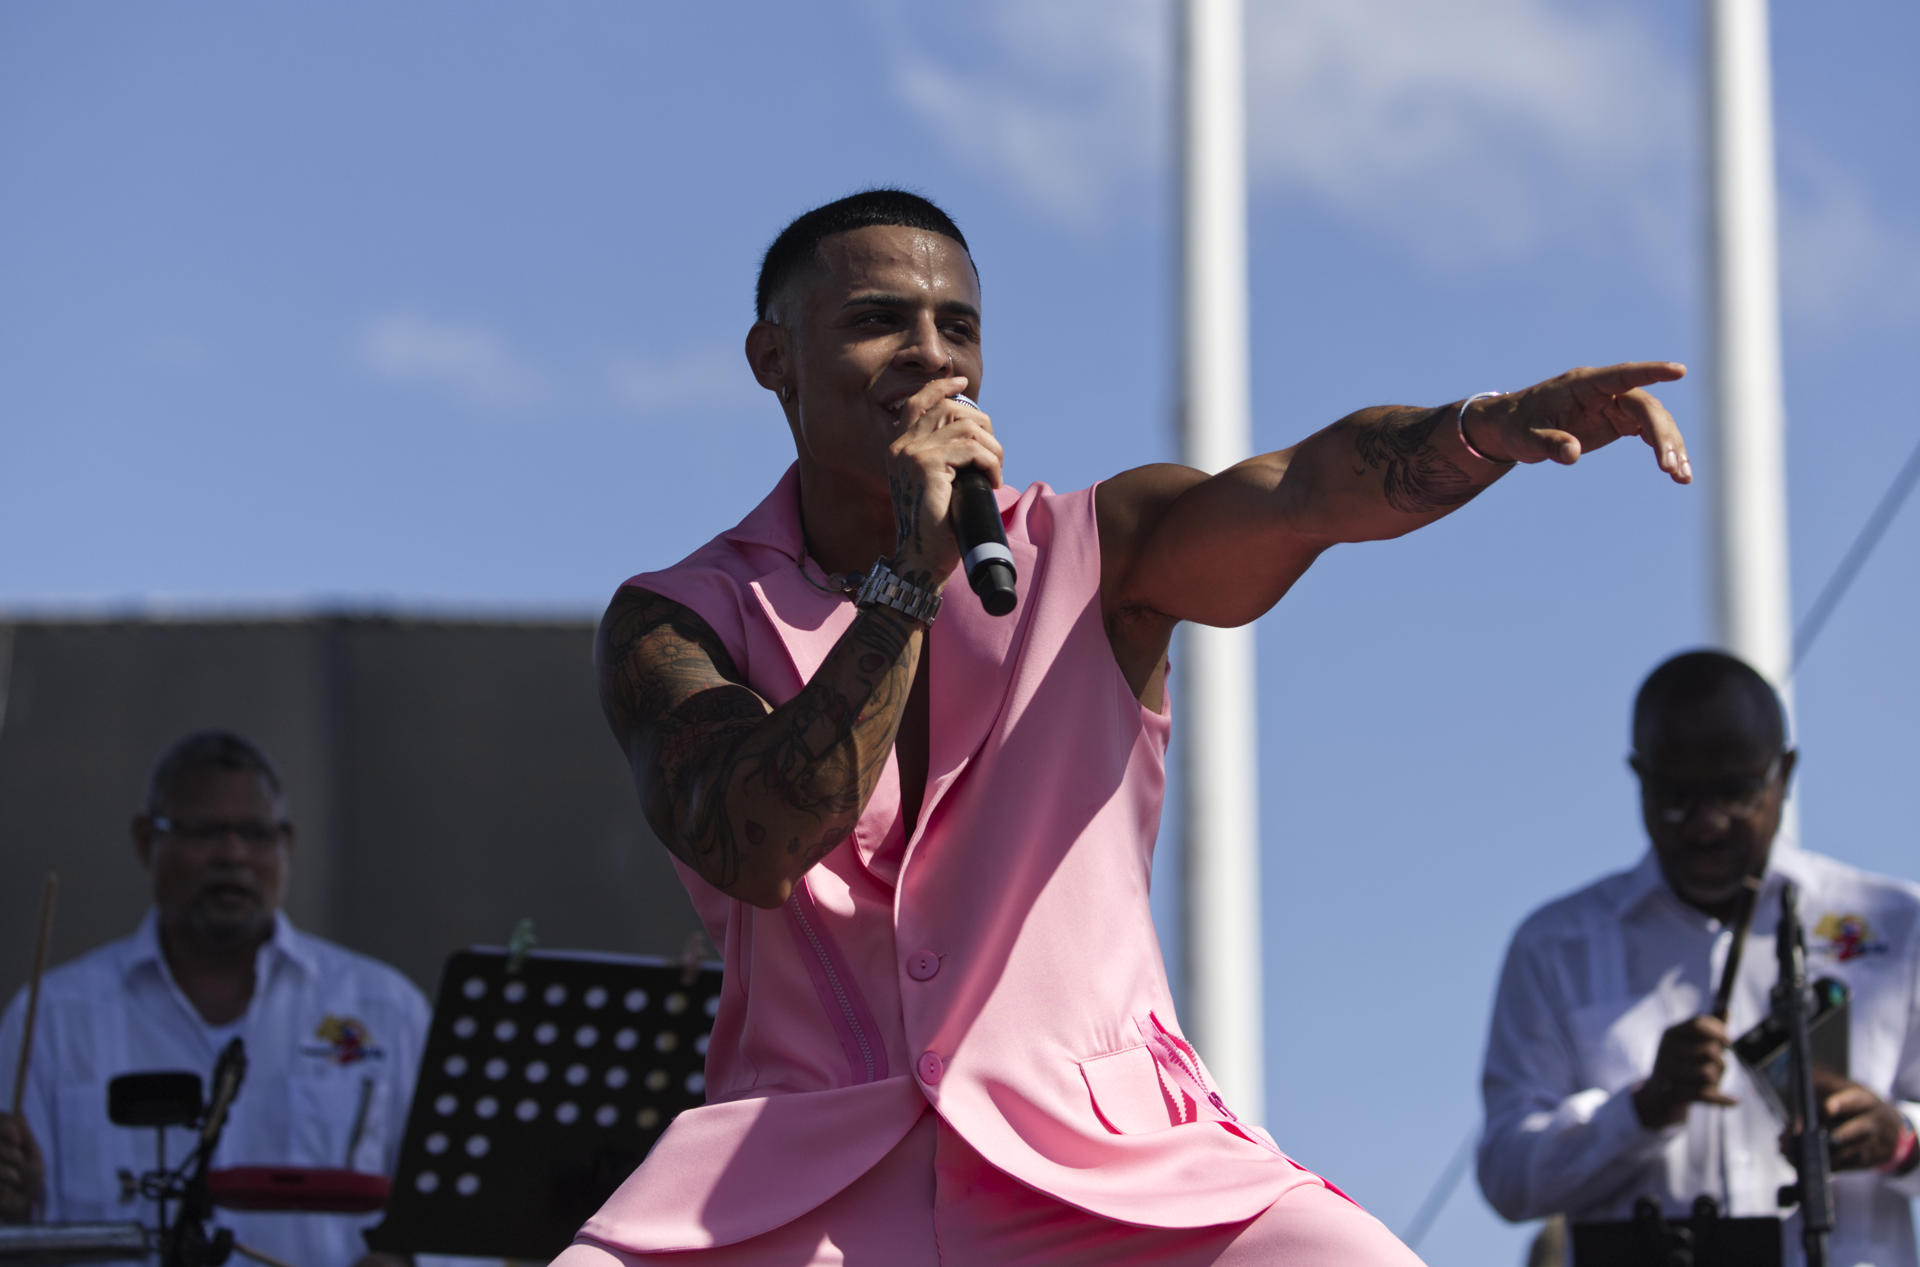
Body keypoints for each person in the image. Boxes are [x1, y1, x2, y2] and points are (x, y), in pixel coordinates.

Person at [569, 188, 1693, 1266]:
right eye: (877, 323)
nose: (930, 355)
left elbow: (1307, 486)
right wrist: (909, 576)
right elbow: (753, 843)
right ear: (774, 359)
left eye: (957, 326)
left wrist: (1483, 426)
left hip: (1112, 1169)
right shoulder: (679, 617)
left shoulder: (1093, 550)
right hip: (792, 1186)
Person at [1478, 650, 1920, 1265]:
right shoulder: (1556, 945)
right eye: (1675, 796)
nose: (1706, 824)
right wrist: (1640, 1109)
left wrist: (1900, 1141)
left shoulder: (1896, 925)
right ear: (1639, 774)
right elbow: (1505, 1176)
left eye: (1735, 792)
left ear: (1784, 774)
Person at [0, 729, 430, 1267]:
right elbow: (20, 1236)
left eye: (255, 833)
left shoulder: (385, 1009)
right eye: (205, 832)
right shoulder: (53, 1018)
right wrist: (14, 1215)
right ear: (144, 840)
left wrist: (408, 1261)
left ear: (287, 844)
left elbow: (454, 1228)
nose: (232, 855)